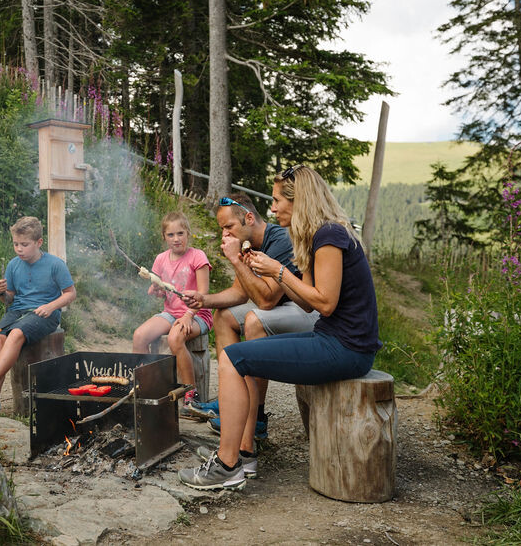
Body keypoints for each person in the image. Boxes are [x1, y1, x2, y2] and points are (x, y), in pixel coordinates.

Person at [178, 165, 381, 490]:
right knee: (237, 355)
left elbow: (325, 303)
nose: (271, 209)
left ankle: (229, 465)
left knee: (232, 358)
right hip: (334, 340)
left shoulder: (330, 235)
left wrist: (278, 272)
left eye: (276, 201)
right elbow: (306, 303)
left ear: (298, 200)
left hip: (346, 348)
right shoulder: (316, 236)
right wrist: (271, 272)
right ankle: (239, 453)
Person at [181, 193, 319, 439]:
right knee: (223, 316)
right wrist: (204, 300)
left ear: (248, 218)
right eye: (222, 229)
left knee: (255, 320)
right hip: (282, 308)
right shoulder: (249, 242)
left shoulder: (280, 241)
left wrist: (235, 259)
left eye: (229, 227)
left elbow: (266, 300)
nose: (226, 234)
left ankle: (256, 418)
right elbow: (239, 293)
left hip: (306, 310)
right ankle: (228, 402)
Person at [0, 216, 76, 414]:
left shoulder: (55, 264)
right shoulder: (14, 264)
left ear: (39, 243)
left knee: (14, 334)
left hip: (44, 313)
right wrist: (1, 293)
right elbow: (9, 300)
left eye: (24, 244)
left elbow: (71, 293)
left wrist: (51, 306)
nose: (19, 249)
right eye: (15, 244)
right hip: (17, 311)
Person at [131, 212, 212, 413]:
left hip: (198, 314)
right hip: (171, 312)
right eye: (171, 235)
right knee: (139, 336)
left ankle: (190, 394)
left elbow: (203, 294)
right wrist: (156, 291)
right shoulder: (160, 259)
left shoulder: (197, 256)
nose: (176, 239)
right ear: (164, 237)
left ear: (188, 233)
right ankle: (149, 385)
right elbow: (157, 292)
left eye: (180, 233)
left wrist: (188, 315)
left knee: (176, 337)